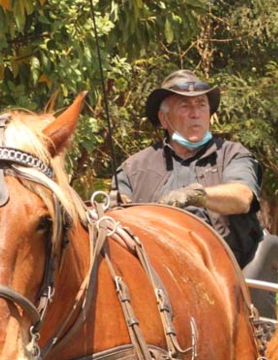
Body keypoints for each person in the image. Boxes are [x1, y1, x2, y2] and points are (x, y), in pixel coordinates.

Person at [111, 69, 264, 268]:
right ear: (164, 119)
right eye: (185, 106)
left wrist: (194, 195)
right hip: (155, 275)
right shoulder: (134, 168)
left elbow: (243, 197)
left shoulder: (232, 154)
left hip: (224, 272)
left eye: (201, 105)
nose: (196, 114)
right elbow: (114, 221)